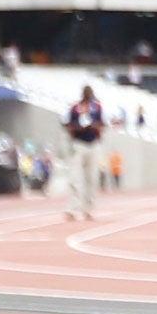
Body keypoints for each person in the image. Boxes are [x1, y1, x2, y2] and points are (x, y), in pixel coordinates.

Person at [62, 85, 103, 221]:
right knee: (74, 178)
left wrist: (94, 127)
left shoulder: (97, 108)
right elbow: (66, 124)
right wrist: (77, 129)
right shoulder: (75, 108)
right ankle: (73, 208)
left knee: (92, 178)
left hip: (93, 144)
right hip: (78, 144)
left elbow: (103, 124)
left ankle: (89, 209)